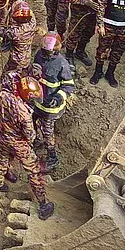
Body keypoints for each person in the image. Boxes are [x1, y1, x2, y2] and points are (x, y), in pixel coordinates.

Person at [0, 72, 55, 221]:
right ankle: (43, 204)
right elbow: (30, 134)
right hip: (19, 145)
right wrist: (33, 141)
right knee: (33, 171)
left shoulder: (3, 95)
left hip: (2, 138)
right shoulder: (24, 113)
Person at [29, 32, 74, 171]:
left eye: (48, 51)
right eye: (44, 50)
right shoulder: (39, 55)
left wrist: (58, 98)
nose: (45, 53)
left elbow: (69, 85)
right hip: (37, 101)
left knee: (48, 132)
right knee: (31, 121)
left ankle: (52, 157)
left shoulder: (61, 64)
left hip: (50, 107)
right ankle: (36, 140)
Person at [61, 0, 106, 68]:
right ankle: (69, 55)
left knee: (88, 33)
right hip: (78, 14)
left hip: (92, 14)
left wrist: (100, 20)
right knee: (74, 34)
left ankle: (80, 51)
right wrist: (86, 2)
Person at [0, 0, 37, 76]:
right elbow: (30, 12)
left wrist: (6, 15)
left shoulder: (15, 33)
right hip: (26, 58)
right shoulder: (32, 24)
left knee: (7, 77)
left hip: (16, 61)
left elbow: (1, 31)